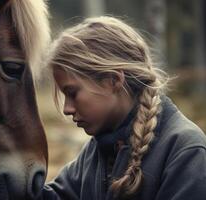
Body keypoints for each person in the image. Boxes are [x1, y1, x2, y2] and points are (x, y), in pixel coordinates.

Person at [39, 16, 206, 200]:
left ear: (113, 81)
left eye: (72, 93)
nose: (67, 109)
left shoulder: (186, 151)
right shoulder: (98, 149)